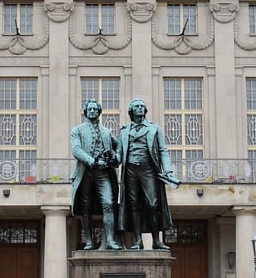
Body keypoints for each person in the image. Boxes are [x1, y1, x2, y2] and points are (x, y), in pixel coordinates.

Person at [117, 98, 178, 250]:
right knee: (134, 205)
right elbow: (119, 154)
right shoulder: (124, 131)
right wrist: (112, 159)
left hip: (148, 169)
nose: (139, 108)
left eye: (142, 106)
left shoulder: (154, 128)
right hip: (130, 170)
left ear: (145, 110)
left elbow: (163, 151)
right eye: (136, 106)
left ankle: (156, 240)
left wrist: (168, 171)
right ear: (131, 111)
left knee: (152, 204)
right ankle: (138, 241)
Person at [70, 99, 122, 250]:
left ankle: (111, 240)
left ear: (99, 112)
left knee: (108, 203)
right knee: (85, 207)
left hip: (104, 173)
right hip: (85, 172)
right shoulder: (77, 130)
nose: (92, 111)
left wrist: (116, 158)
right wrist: (92, 161)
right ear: (85, 112)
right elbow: (76, 150)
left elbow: (119, 146)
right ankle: (89, 241)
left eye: (95, 109)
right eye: (89, 109)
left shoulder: (106, 132)